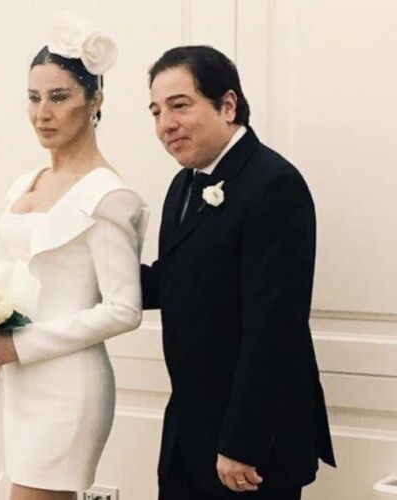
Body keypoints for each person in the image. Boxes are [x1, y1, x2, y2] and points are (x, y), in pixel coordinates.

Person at [0, 13, 148, 500]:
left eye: (59, 97)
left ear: (95, 101)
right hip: (16, 382)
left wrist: (18, 345)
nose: (42, 113)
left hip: (67, 390)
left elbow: (124, 310)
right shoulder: (25, 184)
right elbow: (10, 279)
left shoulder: (107, 195)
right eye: (34, 97)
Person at [141, 46, 336, 500]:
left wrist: (242, 443)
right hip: (189, 431)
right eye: (156, 112)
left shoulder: (273, 184)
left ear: (227, 105)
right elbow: (176, 281)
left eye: (179, 105)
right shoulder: (184, 183)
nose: (166, 124)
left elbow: (275, 326)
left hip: (250, 443)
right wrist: (87, 275)